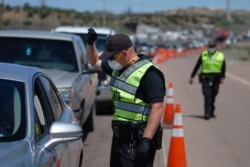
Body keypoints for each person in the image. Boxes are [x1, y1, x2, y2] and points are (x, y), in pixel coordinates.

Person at [86, 28, 166, 167]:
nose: (110, 60)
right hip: (120, 138)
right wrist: (90, 43)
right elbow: (94, 61)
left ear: (124, 54)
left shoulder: (149, 73)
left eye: (112, 56)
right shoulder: (118, 68)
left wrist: (146, 140)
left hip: (137, 140)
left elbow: (157, 108)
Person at [189, 41, 226, 120]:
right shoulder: (204, 55)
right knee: (207, 95)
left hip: (216, 78)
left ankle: (211, 110)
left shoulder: (220, 56)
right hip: (206, 77)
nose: (211, 48)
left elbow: (223, 68)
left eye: (212, 47)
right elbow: (197, 66)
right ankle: (207, 113)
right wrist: (192, 76)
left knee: (214, 94)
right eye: (210, 47)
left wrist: (222, 77)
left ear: (215, 47)